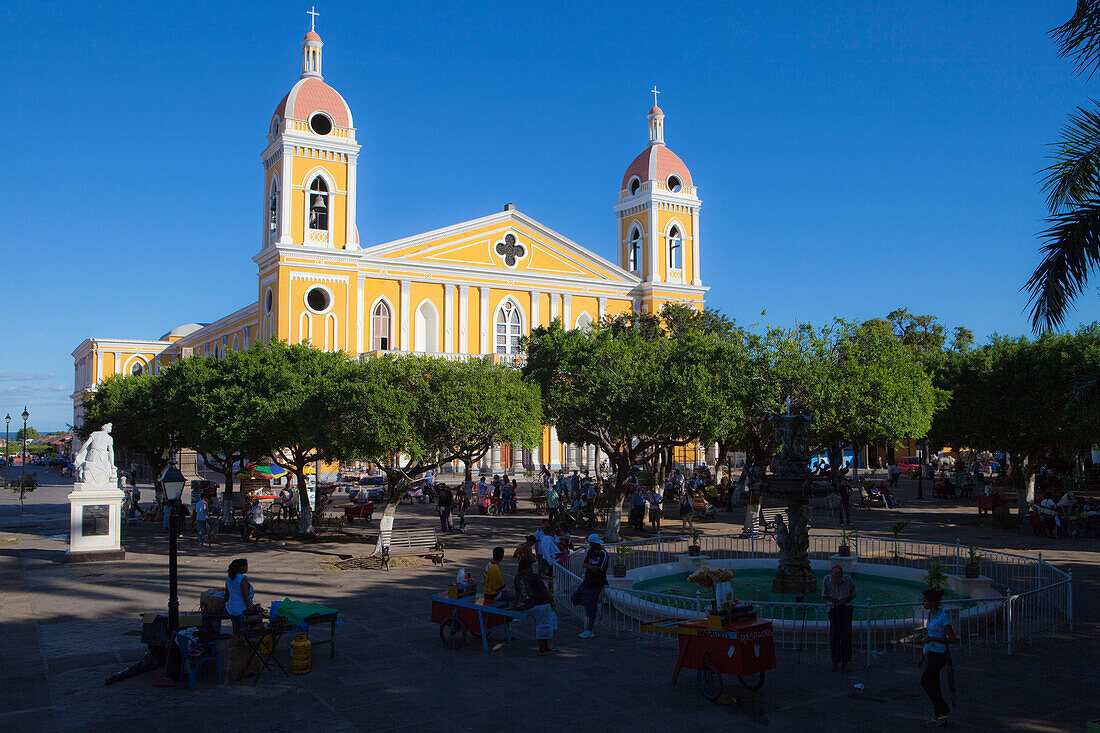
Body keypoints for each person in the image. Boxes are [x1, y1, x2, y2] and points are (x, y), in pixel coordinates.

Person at [920, 588, 956, 726]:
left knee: (925, 680)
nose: (923, 603)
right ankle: (938, 715)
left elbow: (952, 639)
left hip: (940, 654)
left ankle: (944, 709)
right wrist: (922, 655)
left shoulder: (943, 617)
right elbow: (928, 637)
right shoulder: (930, 615)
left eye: (925, 601)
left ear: (933, 602)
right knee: (934, 684)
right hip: (931, 652)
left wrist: (933, 639)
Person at [513, 557, 559, 655]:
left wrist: (515, 604)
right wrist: (552, 602)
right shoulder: (534, 577)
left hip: (529, 604)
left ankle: (547, 646)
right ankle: (543, 648)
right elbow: (545, 591)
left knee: (542, 625)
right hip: (540, 603)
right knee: (544, 626)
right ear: (529, 567)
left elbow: (517, 593)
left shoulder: (517, 577)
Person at [572, 534, 609, 639]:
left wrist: (591, 567)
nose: (589, 544)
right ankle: (592, 606)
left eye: (590, 543)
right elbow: (584, 563)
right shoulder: (590, 551)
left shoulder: (603, 554)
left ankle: (589, 630)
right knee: (575, 598)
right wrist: (592, 567)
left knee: (590, 607)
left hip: (596, 584)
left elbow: (599, 569)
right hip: (587, 581)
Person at [822, 564, 855, 672]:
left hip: (846, 608)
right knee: (834, 635)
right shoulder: (826, 580)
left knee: (846, 635)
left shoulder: (848, 580)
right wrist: (834, 601)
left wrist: (845, 599)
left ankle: (846, 662)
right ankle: (835, 661)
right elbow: (824, 595)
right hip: (833, 608)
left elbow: (854, 593)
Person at [224, 558, 255, 635]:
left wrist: (224, 605)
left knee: (236, 630)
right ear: (241, 567)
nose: (247, 568)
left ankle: (236, 644)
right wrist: (250, 607)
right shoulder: (242, 578)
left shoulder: (229, 577)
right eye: (246, 566)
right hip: (241, 609)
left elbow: (227, 594)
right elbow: (245, 595)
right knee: (243, 631)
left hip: (231, 608)